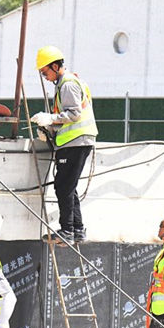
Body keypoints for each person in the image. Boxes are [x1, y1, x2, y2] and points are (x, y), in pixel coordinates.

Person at [31, 45, 98, 247]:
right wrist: (50, 128)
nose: (45, 76)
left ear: (54, 65)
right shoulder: (64, 84)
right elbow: (68, 119)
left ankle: (67, 231)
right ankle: (77, 229)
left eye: (45, 72)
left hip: (76, 142)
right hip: (76, 141)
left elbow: (73, 114)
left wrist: (50, 118)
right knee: (68, 186)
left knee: (63, 186)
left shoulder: (67, 84)